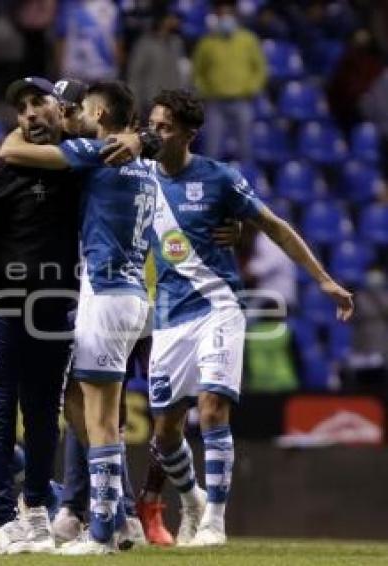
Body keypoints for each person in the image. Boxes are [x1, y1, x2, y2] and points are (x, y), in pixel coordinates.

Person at [0, 77, 153, 555]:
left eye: (39, 103)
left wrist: (142, 137)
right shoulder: (3, 167)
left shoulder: (79, 162)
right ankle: (4, 519)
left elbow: (138, 144)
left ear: (62, 109)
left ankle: (35, 509)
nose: (30, 113)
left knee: (41, 416)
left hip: (56, 306)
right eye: (22, 108)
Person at [145, 89, 353, 546]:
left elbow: (275, 225)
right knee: (164, 431)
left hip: (219, 305)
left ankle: (216, 521)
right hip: (168, 314)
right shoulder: (138, 177)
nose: (154, 133)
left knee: (213, 408)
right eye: (152, 124)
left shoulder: (220, 178)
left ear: (188, 134)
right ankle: (193, 498)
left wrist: (323, 280)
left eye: (164, 127)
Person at [0, 80, 157, 555]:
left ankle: (103, 534)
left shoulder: (98, 150)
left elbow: (12, 150)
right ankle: (118, 521)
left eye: (84, 109)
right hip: (132, 295)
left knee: (101, 421)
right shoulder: (143, 164)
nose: (75, 115)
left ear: (102, 113)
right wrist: (143, 135)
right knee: (93, 410)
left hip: (105, 294)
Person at [192, 0, 266, 162]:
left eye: (228, 14)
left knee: (246, 147)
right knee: (212, 148)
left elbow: (260, 68)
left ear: (235, 16)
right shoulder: (207, 42)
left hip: (241, 100)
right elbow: (198, 71)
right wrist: (205, 90)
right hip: (215, 102)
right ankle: (211, 184)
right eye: (222, 14)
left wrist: (251, 88)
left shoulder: (248, 40)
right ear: (216, 16)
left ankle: (247, 182)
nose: (225, 17)